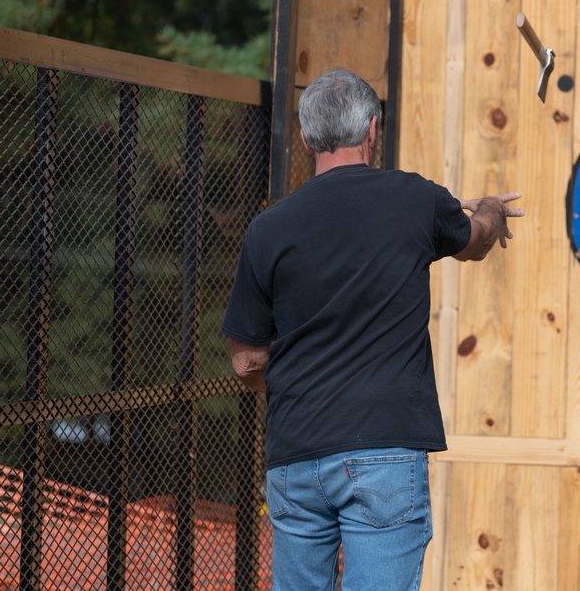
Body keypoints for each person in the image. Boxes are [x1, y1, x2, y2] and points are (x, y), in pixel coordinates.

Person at [221, 67, 523, 590]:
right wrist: (491, 209)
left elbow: (246, 360)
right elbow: (474, 240)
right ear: (372, 130)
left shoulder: (269, 227)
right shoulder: (416, 200)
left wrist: (305, 381)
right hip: (385, 451)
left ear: (305, 136)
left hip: (296, 450)